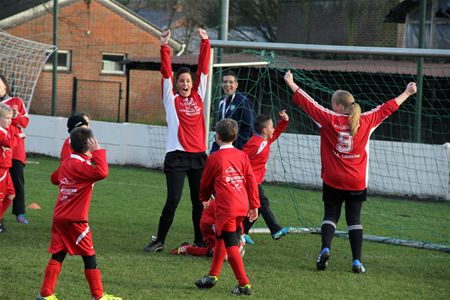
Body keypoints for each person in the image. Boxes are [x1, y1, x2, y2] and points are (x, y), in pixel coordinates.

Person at [284, 70, 417, 273]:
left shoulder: (328, 119)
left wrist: (291, 83)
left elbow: (308, 103)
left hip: (333, 178)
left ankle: (325, 249)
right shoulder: (366, 120)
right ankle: (356, 262)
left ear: (338, 106)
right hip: (356, 180)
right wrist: (407, 93)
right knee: (354, 219)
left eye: (332, 103)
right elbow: (387, 108)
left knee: (330, 215)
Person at [144, 28, 210, 252]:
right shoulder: (170, 99)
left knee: (199, 201)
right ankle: (159, 240)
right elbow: (165, 73)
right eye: (181, 81)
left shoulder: (199, 96)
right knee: (173, 199)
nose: (185, 84)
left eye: (188, 81)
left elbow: (204, 70)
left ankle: (200, 240)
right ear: (177, 83)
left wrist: (205, 43)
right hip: (177, 156)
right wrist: (164, 46)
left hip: (198, 158)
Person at [37, 127, 121, 300]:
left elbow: (54, 179)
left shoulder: (67, 163)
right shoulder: (83, 166)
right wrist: (98, 152)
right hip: (76, 220)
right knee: (89, 255)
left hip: (60, 217)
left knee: (58, 253)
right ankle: (98, 295)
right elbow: (102, 172)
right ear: (89, 145)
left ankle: (45, 293)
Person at [195, 118, 259, 296]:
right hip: (241, 205)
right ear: (235, 137)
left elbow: (205, 183)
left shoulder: (215, 158)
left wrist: (204, 198)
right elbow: (251, 181)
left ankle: (244, 285)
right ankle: (212, 275)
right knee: (221, 238)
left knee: (231, 245)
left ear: (217, 136)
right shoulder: (242, 155)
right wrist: (254, 205)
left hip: (227, 208)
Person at [241, 111, 292, 245]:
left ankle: (243, 232)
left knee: (257, 207)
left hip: (255, 181)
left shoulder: (265, 140)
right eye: (271, 126)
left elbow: (276, 132)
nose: (273, 129)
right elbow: (241, 158)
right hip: (249, 181)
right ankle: (275, 230)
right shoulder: (255, 143)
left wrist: (284, 121)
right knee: (263, 204)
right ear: (264, 130)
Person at [170, 198, 246, 258]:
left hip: (220, 221)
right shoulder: (227, 204)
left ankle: (197, 248)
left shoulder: (238, 202)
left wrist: (241, 237)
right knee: (222, 254)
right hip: (209, 224)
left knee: (231, 251)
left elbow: (238, 221)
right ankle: (188, 249)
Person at [0, 75, 29, 225]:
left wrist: (16, 116)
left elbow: (25, 123)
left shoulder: (16, 101)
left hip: (15, 149)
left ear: (5, 86)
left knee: (17, 181)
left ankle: (20, 213)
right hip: (1, 150)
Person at [210, 71, 254, 153]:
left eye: (231, 82)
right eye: (225, 82)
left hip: (235, 148)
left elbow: (249, 127)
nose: (227, 85)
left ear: (236, 85)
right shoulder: (222, 102)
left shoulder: (242, 101)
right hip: (221, 145)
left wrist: (239, 147)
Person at [0, 103, 22, 232]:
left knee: (11, 195)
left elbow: (21, 123)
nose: (9, 121)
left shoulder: (6, 130)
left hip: (6, 169)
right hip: (1, 169)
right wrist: (19, 137)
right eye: (6, 118)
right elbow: (8, 143)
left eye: (10, 118)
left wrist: (16, 115)